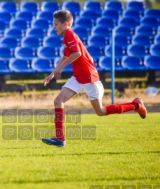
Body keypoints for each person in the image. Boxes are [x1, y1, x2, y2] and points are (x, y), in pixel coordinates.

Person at [41, 10, 147, 147]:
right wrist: (54, 72)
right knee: (58, 101)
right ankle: (60, 139)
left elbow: (77, 53)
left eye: (56, 24)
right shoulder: (66, 36)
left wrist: (61, 68)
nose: (54, 27)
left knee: (101, 112)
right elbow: (66, 56)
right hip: (78, 77)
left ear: (65, 24)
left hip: (88, 77)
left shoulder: (70, 34)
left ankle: (136, 105)